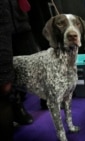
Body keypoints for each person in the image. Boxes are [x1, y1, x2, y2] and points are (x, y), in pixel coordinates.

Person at [0, 0, 36, 140]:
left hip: (19, 15)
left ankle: (17, 102)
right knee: (4, 83)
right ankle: (13, 103)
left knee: (27, 64)